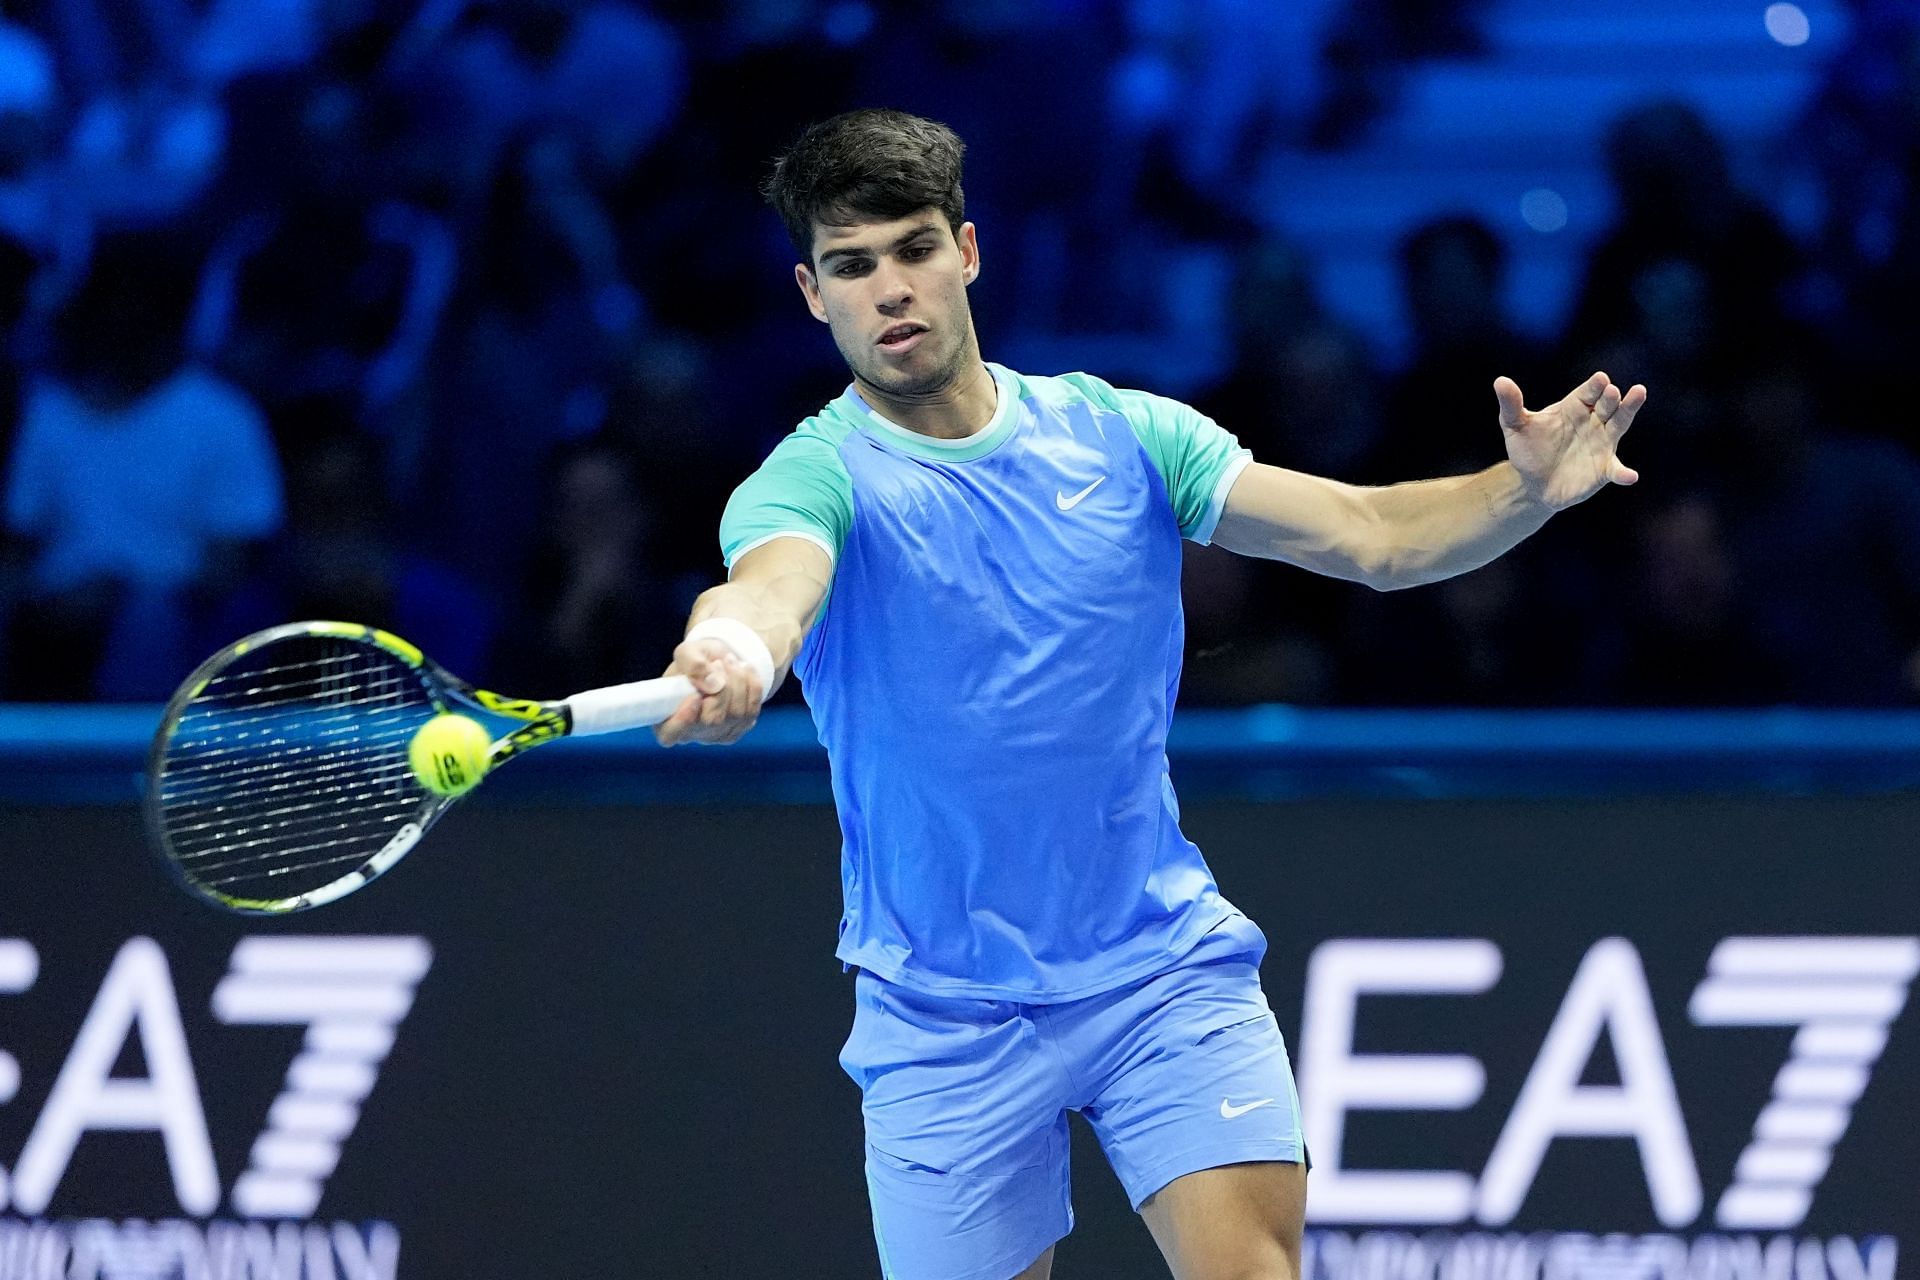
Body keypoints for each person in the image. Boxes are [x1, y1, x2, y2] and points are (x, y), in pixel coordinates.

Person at [649, 109, 1646, 1280]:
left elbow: (1371, 534)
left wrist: (1517, 492)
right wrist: (734, 653)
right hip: (942, 1011)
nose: (891, 289)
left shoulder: (1123, 435)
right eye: (853, 266)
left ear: (967, 252)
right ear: (815, 296)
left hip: (1158, 972)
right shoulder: (811, 476)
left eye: (914, 248)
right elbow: (769, 590)